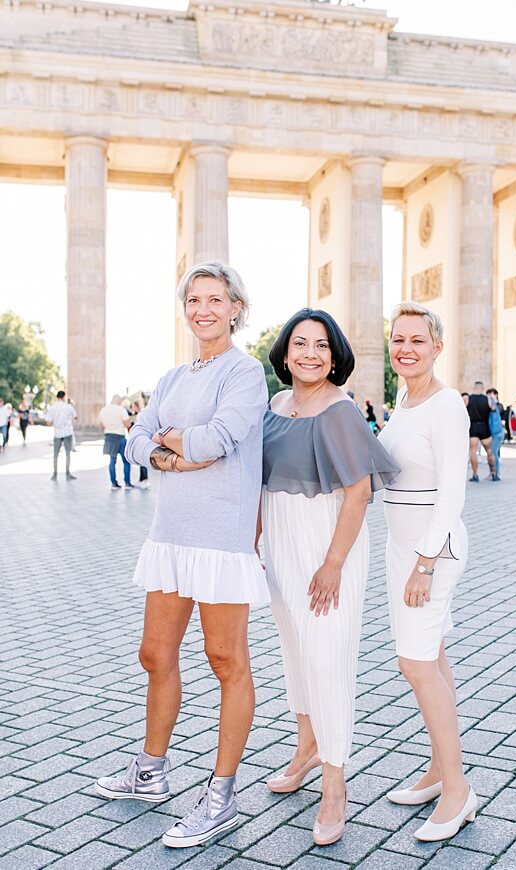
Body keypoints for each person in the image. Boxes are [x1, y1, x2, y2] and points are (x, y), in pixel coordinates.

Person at [94, 262, 269, 849]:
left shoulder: (245, 374)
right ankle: (150, 773)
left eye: (215, 300)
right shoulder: (172, 377)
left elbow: (218, 441)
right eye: (194, 300)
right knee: (154, 653)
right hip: (170, 535)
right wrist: (171, 450)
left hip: (221, 538)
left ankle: (221, 795)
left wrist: (171, 441)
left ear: (236, 307)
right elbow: (136, 435)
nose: (203, 310)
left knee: (225, 660)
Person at [260, 309, 398, 846]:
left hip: (327, 551)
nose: (310, 354)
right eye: (300, 344)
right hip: (282, 547)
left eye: (321, 345)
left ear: (335, 354)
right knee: (296, 653)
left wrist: (333, 563)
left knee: (328, 659)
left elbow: (359, 493)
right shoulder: (274, 406)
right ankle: (307, 747)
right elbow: (262, 480)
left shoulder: (341, 412)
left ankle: (335, 784)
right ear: (285, 352)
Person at [378, 301, 477, 842]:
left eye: (417, 339)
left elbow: (451, 497)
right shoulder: (404, 399)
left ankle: (459, 790)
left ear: (437, 347)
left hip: (430, 555)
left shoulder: (446, 406)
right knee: (433, 659)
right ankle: (440, 770)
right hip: (402, 550)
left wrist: (424, 563)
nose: (406, 348)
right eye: (398, 339)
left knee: (413, 666)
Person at [99, 395, 134, 490]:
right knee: (126, 461)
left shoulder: (103, 410)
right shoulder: (121, 410)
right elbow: (128, 424)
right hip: (120, 437)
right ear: (119, 401)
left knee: (112, 461)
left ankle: (113, 484)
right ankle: (127, 483)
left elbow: (102, 425)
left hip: (109, 437)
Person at [465, 381, 497, 482]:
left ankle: (475, 475)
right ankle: (493, 473)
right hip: (484, 427)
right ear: (482, 388)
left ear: (474, 388)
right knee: (489, 451)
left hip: (473, 427)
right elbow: (494, 409)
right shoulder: (487, 399)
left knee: (473, 451)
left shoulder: (468, 398)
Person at [44, 390, 78, 480]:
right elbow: (75, 417)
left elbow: (48, 422)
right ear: (64, 397)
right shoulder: (68, 407)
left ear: (57, 397)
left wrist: (56, 422)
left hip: (57, 433)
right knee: (68, 454)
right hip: (67, 432)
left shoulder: (52, 407)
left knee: (55, 455)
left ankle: (55, 474)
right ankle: (67, 473)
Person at [129, 400, 150, 488]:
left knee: (142, 461)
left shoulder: (141, 414)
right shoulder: (139, 414)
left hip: (142, 439)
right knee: (141, 461)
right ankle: (142, 480)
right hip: (142, 439)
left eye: (132, 406)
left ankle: (144, 480)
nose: (132, 408)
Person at [486, 388, 504, 477]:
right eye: (488, 394)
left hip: (498, 433)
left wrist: (493, 399)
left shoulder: (497, 406)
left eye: (492, 394)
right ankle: (493, 473)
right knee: (492, 453)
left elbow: (497, 408)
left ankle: (496, 473)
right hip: (493, 433)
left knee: (494, 453)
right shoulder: (490, 407)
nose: (490, 396)